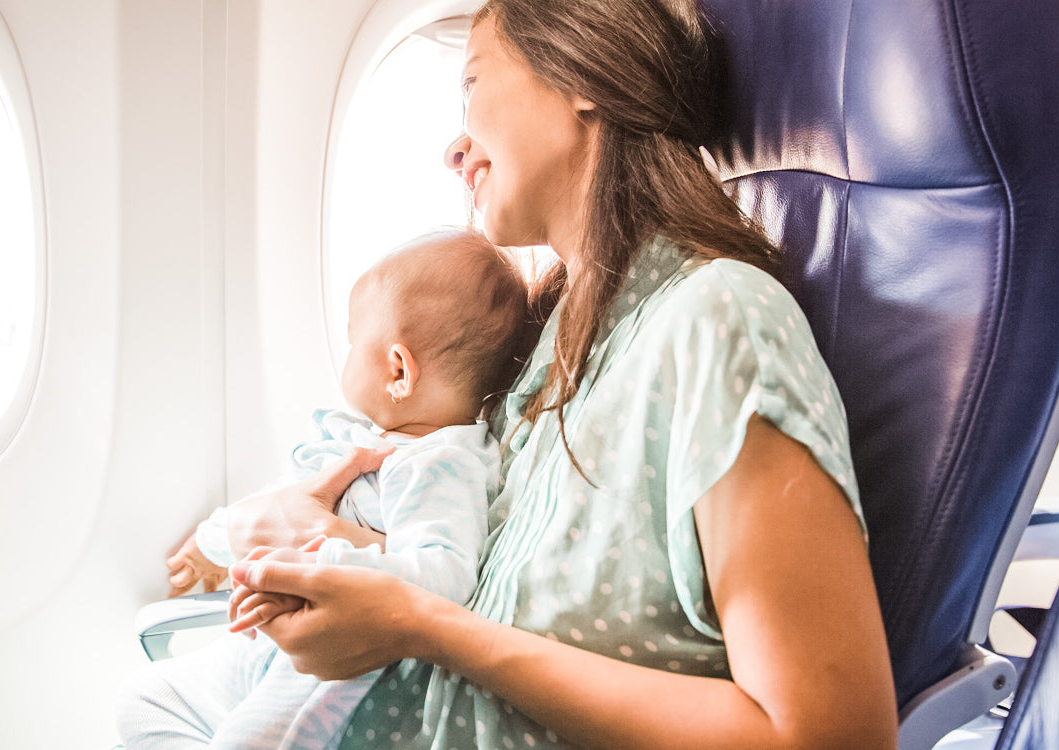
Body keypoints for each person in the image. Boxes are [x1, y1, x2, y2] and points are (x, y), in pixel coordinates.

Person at [214, 0, 900, 747]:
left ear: (581, 79)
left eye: (472, 84)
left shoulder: (720, 322)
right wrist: (329, 543)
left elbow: (829, 735)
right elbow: (492, 580)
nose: (455, 146)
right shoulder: (549, 347)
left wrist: (422, 627)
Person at [116, 229, 533, 749]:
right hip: (266, 650)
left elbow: (443, 575)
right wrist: (212, 542)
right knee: (144, 696)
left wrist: (330, 559)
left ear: (398, 371)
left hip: (333, 669)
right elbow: (288, 501)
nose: (348, 351)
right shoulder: (360, 439)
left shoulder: (441, 465)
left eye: (356, 341)